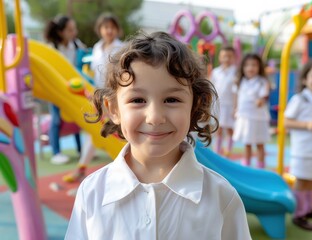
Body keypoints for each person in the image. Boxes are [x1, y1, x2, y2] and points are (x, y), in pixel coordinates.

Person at [65, 31, 251, 239]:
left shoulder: (221, 197)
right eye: (137, 100)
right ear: (113, 109)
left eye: (171, 99)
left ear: (196, 105)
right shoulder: (92, 193)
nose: (155, 117)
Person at [63, 13, 123, 183]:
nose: (108, 31)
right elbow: (94, 72)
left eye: (112, 27)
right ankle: (82, 168)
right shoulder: (97, 47)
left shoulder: (121, 47)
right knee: (95, 131)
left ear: (117, 29)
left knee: (117, 131)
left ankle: (124, 169)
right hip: (99, 94)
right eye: (105, 27)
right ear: (100, 30)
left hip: (115, 94)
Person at [44, 15, 85, 164]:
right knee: (56, 120)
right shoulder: (52, 48)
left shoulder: (76, 44)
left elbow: (83, 57)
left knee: (77, 118)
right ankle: (56, 152)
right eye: (70, 30)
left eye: (74, 29)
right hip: (57, 89)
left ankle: (81, 150)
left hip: (73, 88)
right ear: (61, 32)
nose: (74, 32)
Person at [284, 58, 312, 231]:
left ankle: (308, 207)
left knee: (310, 180)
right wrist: (308, 125)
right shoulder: (300, 99)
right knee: (302, 181)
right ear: (305, 79)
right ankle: (299, 214)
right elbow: (286, 122)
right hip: (304, 151)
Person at [232, 53, 270, 168]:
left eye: (254, 65)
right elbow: (236, 96)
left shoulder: (261, 81)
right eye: (247, 65)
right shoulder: (241, 81)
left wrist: (261, 100)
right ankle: (246, 165)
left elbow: (264, 95)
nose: (250, 68)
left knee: (259, 143)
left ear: (259, 67)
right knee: (246, 142)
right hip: (244, 116)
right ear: (243, 67)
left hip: (257, 117)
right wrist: (235, 109)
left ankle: (260, 166)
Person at [210, 46, 237, 157]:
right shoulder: (216, 72)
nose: (226, 59)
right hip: (218, 104)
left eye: (229, 56)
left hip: (230, 104)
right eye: (224, 56)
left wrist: (236, 107)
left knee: (230, 128)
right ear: (220, 58)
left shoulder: (235, 72)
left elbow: (236, 91)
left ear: (234, 58)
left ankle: (228, 150)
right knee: (218, 127)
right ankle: (217, 150)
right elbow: (212, 87)